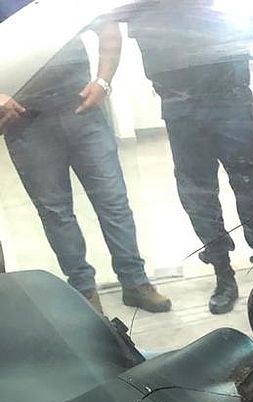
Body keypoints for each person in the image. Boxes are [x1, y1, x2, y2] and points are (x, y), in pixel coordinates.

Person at [0, 18, 171, 314]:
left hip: (81, 107)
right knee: (56, 212)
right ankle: (84, 292)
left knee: (113, 201)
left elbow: (107, 26)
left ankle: (135, 282)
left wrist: (103, 81)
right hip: (26, 121)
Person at [128, 0, 253, 314]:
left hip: (229, 99)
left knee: (251, 187)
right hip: (181, 106)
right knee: (197, 195)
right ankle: (223, 271)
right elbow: (147, 39)